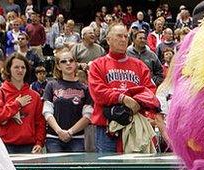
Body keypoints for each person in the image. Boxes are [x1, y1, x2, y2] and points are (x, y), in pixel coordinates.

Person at [88, 23, 157, 154]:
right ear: (108, 39)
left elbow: (150, 91)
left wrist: (137, 102)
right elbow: (98, 92)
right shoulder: (97, 65)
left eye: (126, 36)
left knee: (135, 168)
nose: (124, 39)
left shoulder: (140, 66)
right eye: (119, 36)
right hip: (107, 128)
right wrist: (123, 98)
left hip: (134, 125)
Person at [0, 52, 45, 154]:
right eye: (16, 67)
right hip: (5, 147)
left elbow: (40, 123)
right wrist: (17, 104)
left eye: (23, 67)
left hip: (29, 147)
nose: (20, 70)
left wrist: (39, 142)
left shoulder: (35, 96)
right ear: (9, 69)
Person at [42, 49, 92, 152]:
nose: (68, 63)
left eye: (71, 60)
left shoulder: (85, 88)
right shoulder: (51, 85)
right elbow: (47, 112)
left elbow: (87, 116)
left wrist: (70, 132)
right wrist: (59, 131)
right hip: (54, 138)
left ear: (75, 63)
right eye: (64, 61)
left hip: (77, 138)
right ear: (58, 66)